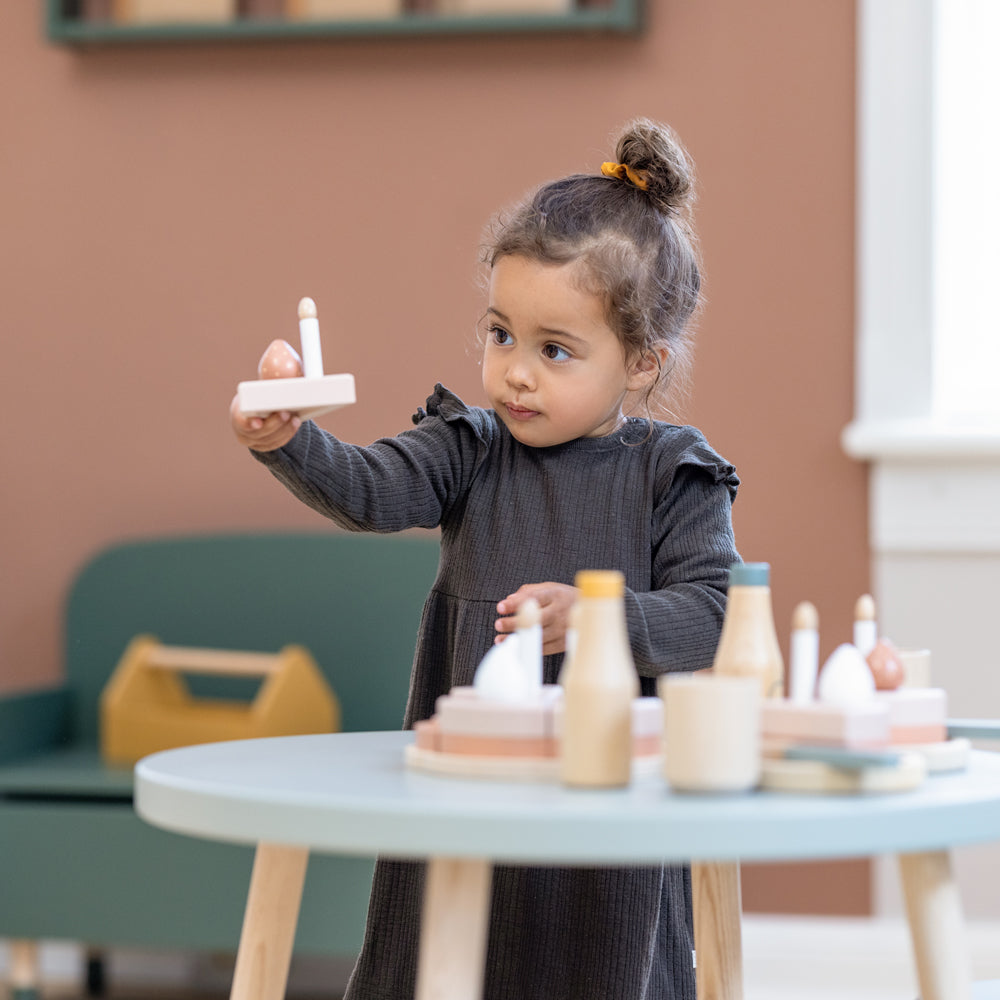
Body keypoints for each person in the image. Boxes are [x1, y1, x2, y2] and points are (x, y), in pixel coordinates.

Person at [230, 117, 740, 1000]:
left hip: (604, 812)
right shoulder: (470, 447)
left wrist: (599, 618)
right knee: (448, 958)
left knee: (592, 969)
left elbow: (717, 614)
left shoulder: (670, 476)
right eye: (501, 335)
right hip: (465, 799)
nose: (514, 374)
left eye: (554, 351)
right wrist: (290, 440)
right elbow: (369, 488)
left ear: (642, 363)